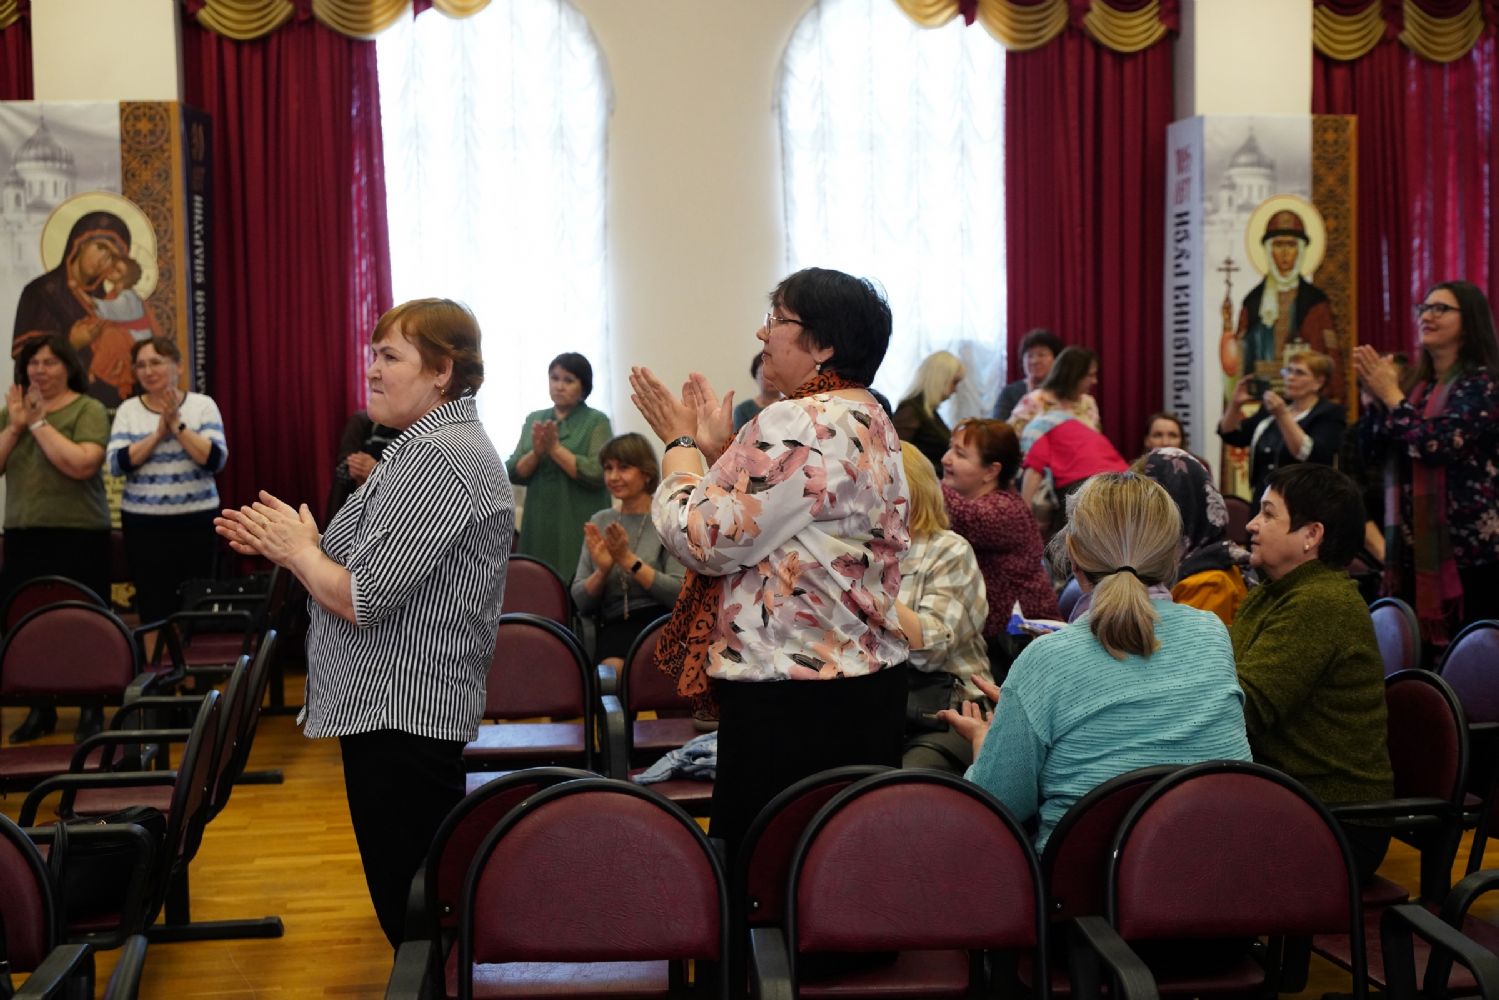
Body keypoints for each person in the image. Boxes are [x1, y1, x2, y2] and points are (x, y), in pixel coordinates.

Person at [215, 298, 512, 948]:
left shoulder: (439, 457)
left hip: (402, 712)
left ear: (442, 371)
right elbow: (367, 566)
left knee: (416, 922)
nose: (372, 370)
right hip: (394, 708)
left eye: (390, 356)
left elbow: (362, 596)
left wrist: (299, 552)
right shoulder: (423, 448)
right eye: (373, 354)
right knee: (414, 911)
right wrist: (301, 544)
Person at [628, 267, 909, 857]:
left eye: (777, 320)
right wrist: (722, 456)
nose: (762, 334)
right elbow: (785, 517)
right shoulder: (869, 415)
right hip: (863, 686)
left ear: (823, 345)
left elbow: (704, 539)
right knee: (841, 868)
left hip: (794, 696)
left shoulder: (799, 420)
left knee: (767, 873)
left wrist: (679, 449)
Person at [941, 472, 1252, 849]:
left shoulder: (1046, 660)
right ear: (1174, 554)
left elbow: (994, 805)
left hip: (1086, 881)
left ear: (1073, 552)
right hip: (1215, 865)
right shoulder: (1212, 633)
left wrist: (986, 740)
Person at [1231, 463, 1393, 883]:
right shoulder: (1273, 593)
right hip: (1289, 799)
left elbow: (1244, 710)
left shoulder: (1320, 603)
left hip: (1335, 822)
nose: (1251, 524)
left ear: (1311, 535)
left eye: (1268, 514)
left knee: (1166, 837)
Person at [1355, 280, 1499, 641]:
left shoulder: (1483, 384)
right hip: (1413, 550)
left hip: (1468, 552)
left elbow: (1438, 445)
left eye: (1441, 309)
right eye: (1424, 308)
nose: (1427, 316)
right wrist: (1374, 402)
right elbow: (1372, 452)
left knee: (1472, 654)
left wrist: (1391, 395)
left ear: (1469, 321)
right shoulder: (1417, 389)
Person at [0, 336, 110, 742]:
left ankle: (92, 706)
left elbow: (82, 465)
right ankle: (39, 707)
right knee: (27, 623)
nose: (39, 370)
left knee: (85, 621)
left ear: (68, 367)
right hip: (24, 533)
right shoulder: (13, 412)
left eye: (49, 362)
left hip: (79, 533)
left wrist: (38, 424)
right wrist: (15, 426)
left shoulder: (88, 408)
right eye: (33, 363)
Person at [105, 337, 229, 625]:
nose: (148, 371)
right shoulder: (128, 410)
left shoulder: (202, 406)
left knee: (196, 601)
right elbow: (116, 464)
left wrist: (176, 425)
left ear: (178, 367)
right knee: (152, 603)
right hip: (143, 523)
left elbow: (214, 460)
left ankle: (193, 654)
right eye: (141, 365)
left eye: (156, 363)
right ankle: (156, 656)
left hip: (196, 519)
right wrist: (158, 434)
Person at [895, 442, 991, 773]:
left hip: (950, 708)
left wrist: (868, 584)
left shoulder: (948, 549)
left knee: (900, 786)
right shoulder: (859, 548)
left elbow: (930, 653)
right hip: (883, 705)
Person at [940, 418, 1060, 664]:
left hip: (1023, 646)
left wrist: (910, 469)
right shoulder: (990, 502)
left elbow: (962, 515)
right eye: (950, 448)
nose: (946, 459)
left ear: (991, 471)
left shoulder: (1005, 509)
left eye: (960, 454)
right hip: (999, 643)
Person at [571, 432, 685, 668]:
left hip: (663, 624)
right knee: (610, 672)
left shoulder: (666, 518)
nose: (613, 476)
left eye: (623, 467)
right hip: (615, 625)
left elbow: (678, 593)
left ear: (646, 473)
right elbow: (580, 600)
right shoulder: (600, 521)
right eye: (608, 468)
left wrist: (628, 560)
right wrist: (602, 571)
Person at [505, 352, 611, 578]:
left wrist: (554, 449)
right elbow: (514, 472)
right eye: (554, 378)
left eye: (568, 380)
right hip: (540, 519)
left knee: (578, 583)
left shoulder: (596, 421)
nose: (559, 386)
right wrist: (537, 453)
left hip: (579, 518)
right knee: (537, 583)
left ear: (583, 387)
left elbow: (597, 472)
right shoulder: (535, 419)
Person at [12, 211, 133, 406]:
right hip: (53, 407)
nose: (103, 259)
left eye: (112, 256)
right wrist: (71, 344)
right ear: (81, 242)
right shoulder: (40, 292)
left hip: (101, 407)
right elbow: (25, 360)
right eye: (100, 247)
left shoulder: (108, 303)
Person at [1229, 208, 1344, 403]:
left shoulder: (1315, 301)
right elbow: (1239, 358)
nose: (1284, 253)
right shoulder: (1253, 301)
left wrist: (1334, 398)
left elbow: (1330, 355)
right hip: (1260, 397)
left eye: (1290, 245)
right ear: (1269, 250)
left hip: (1305, 398)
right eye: (1278, 245)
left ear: (1300, 250)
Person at [1137, 448, 1250, 625]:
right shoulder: (1180, 565)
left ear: (1178, 509)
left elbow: (1178, 641)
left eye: (1142, 509)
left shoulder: (1210, 582)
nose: (1135, 521)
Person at [1218, 349, 1345, 501]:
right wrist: (1235, 403)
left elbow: (1308, 454)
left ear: (1319, 382)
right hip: (1263, 496)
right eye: (1288, 371)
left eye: (1299, 373)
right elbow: (1231, 435)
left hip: (1302, 500)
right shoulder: (1271, 409)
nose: (1290, 377)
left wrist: (1282, 415)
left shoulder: (1329, 413)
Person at [1018, 410, 1129, 532]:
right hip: (1125, 483)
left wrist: (1024, 513)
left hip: (1086, 486)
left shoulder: (1036, 429)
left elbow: (1034, 470)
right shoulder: (1076, 425)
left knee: (1061, 540)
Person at [892, 349, 964, 473]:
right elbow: (895, 456)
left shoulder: (927, 411)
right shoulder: (911, 411)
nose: (955, 390)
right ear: (941, 379)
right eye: (954, 382)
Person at [1008, 345, 1100, 440]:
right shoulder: (1035, 400)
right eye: (1090, 375)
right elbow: (1010, 439)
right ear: (1074, 375)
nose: (1095, 381)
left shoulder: (1089, 403)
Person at [325, 410, 399, 520]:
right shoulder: (361, 422)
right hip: (357, 511)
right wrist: (358, 469)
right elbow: (344, 470)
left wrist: (378, 472)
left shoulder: (417, 434)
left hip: (391, 511)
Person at [992, 328, 1063, 421]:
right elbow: (999, 427)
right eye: (1030, 356)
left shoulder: (1065, 391)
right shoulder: (1010, 393)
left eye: (1041, 355)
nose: (1034, 361)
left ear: (1056, 360)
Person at [731, 352, 780, 431]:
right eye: (765, 373)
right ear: (755, 376)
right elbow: (740, 438)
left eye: (775, 373)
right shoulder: (742, 410)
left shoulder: (792, 405)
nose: (771, 378)